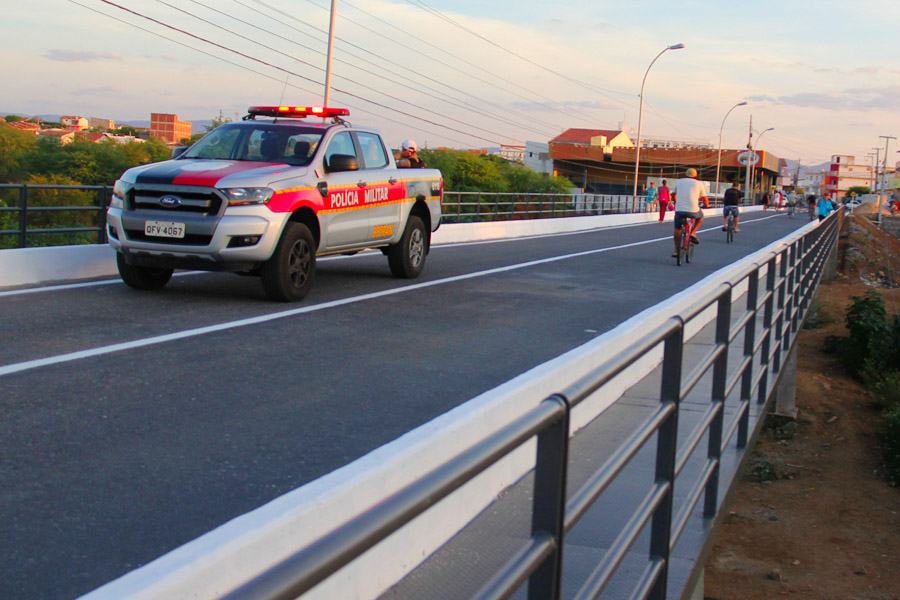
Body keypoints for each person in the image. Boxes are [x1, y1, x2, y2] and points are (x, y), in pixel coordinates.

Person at [672, 168, 710, 257]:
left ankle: (676, 251)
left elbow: (673, 194)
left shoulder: (679, 181)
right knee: (700, 217)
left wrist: (676, 202)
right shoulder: (699, 183)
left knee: (677, 229)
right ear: (696, 175)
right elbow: (704, 198)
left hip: (680, 209)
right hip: (693, 210)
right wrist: (707, 205)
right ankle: (693, 232)